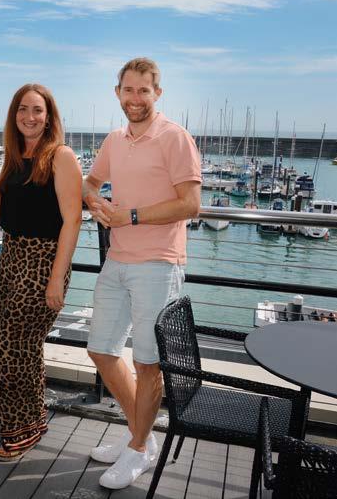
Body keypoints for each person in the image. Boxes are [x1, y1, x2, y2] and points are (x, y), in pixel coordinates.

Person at [82, 58, 201, 489]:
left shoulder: (175, 137)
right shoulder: (115, 140)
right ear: (118, 93)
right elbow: (90, 183)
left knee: (147, 363)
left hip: (158, 263)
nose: (135, 99)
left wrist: (129, 215)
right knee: (101, 350)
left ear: (157, 94)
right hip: (117, 260)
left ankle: (137, 448)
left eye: (143, 91)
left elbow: (190, 204)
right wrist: (95, 202)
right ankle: (142, 434)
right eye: (128, 90)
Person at [0, 84, 82, 461]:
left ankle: (19, 430)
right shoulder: (15, 154)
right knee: (24, 347)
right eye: (23, 109)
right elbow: (14, 186)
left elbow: (73, 220)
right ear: (14, 115)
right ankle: (33, 420)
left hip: (43, 262)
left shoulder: (61, 156)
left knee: (8, 348)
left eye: (37, 110)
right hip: (12, 257)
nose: (29, 117)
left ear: (49, 117)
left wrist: (56, 278)